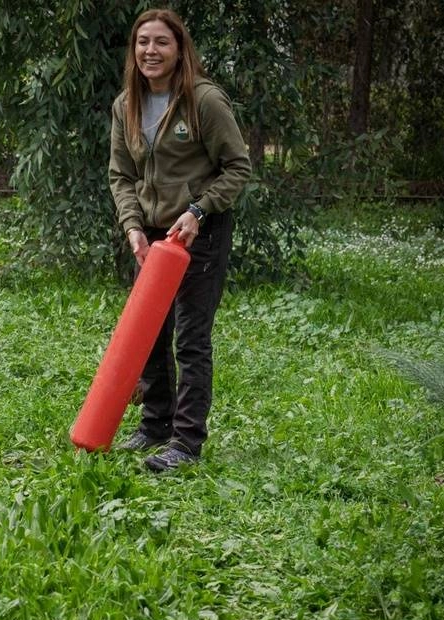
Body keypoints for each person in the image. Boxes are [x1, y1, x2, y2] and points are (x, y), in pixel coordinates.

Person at [108, 8, 251, 471]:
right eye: (143, 42)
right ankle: (155, 425)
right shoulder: (125, 103)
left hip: (197, 233)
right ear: (134, 51)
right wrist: (133, 227)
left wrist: (198, 211)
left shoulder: (203, 101)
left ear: (179, 49)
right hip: (149, 235)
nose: (151, 50)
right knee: (148, 334)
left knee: (190, 339)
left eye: (161, 42)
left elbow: (237, 168)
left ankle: (186, 444)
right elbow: (121, 175)